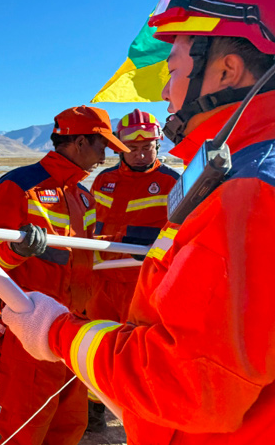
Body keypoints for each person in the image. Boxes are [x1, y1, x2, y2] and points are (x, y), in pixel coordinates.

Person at [0, 0, 275, 443]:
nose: (166, 91)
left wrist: (56, 331)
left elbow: (190, 385)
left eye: (172, 71)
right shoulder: (238, 173)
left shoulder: (247, 190)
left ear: (226, 70)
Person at [0, 106, 130, 444]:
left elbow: (86, 254)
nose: (104, 157)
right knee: (26, 429)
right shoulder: (19, 187)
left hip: (73, 329)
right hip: (29, 332)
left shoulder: (82, 195)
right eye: (101, 147)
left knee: (69, 425)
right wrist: (16, 253)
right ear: (78, 143)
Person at [84, 110, 180, 431]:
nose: (139, 155)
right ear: (119, 147)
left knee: (139, 352)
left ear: (158, 144)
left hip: (143, 283)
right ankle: (95, 406)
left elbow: (179, 232)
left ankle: (140, 419)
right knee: (99, 342)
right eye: (132, 149)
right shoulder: (103, 180)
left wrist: (128, 240)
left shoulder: (171, 182)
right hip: (102, 279)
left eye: (147, 148)